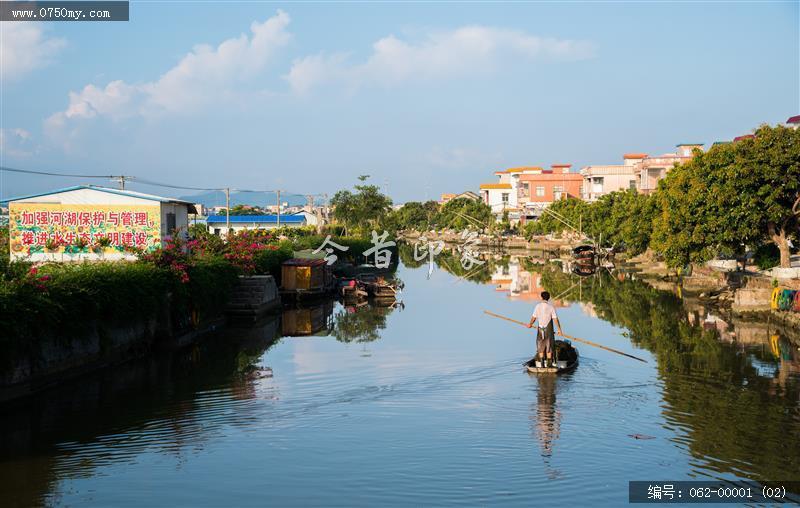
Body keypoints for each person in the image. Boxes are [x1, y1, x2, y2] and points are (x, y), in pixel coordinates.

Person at [527, 291, 563, 367]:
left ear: (541, 297)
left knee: (541, 346)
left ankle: (542, 365)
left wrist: (530, 324)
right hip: (548, 330)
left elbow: (533, 318)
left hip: (540, 329)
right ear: (549, 298)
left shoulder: (537, 306)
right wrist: (559, 329)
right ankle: (549, 365)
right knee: (549, 346)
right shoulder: (551, 307)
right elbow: (555, 319)